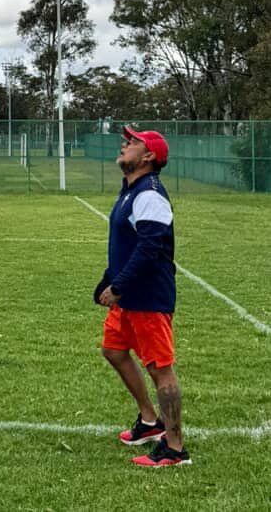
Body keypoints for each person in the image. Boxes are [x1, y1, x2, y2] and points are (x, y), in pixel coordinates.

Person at [94, 126, 191, 467]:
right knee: (114, 350)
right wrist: (110, 280)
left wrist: (118, 286)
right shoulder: (130, 190)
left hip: (148, 297)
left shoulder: (150, 193)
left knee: (160, 370)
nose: (124, 144)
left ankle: (175, 448)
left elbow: (151, 247)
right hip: (129, 297)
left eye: (132, 141)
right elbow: (129, 243)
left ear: (149, 156)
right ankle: (151, 422)